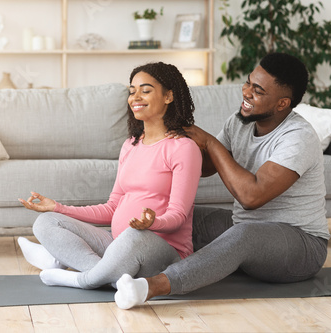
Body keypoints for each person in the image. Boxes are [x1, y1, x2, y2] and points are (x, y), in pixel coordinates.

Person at [114, 52, 331, 310]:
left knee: (243, 235)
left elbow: (251, 197)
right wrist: (175, 143)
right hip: (242, 226)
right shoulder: (239, 122)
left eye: (258, 91)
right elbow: (206, 167)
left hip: (300, 244)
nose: (246, 92)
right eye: (248, 82)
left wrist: (208, 141)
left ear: (283, 103)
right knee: (181, 218)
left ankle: (151, 286)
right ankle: (108, 259)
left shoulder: (298, 137)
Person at [18, 62, 202, 290]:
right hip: (118, 244)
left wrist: (153, 222)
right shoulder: (130, 145)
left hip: (161, 250)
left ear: (168, 96)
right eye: (132, 91)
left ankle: (81, 279)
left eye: (145, 90)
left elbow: (179, 215)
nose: (136, 97)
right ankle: (114, 279)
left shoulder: (183, 148)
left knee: (132, 236)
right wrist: (57, 207)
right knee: (45, 222)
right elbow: (112, 207)